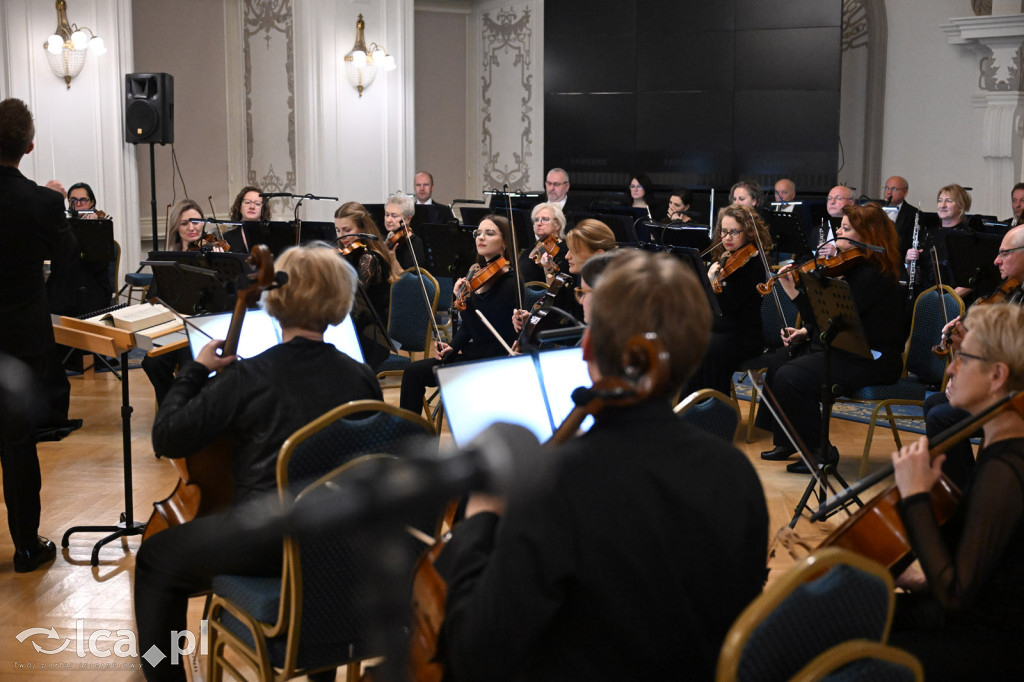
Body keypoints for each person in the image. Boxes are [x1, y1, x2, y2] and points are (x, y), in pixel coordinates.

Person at [436, 249, 769, 680]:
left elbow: (474, 653)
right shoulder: (736, 473)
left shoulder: (555, 483)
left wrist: (480, 516)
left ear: (587, 345)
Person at [135, 244, 383, 682]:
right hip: (342, 541)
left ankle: (163, 673)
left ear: (276, 297)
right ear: (338, 303)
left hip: (267, 541)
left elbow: (167, 436)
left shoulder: (248, 376)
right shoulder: (361, 377)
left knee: (156, 558)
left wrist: (194, 371)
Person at [888, 303, 1024, 680]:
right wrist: (915, 577)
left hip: (993, 646)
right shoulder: (1002, 446)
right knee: (852, 611)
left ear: (997, 375)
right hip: (975, 616)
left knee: (845, 642)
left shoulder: (1006, 467)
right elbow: (980, 564)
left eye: (963, 358)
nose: (950, 368)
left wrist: (915, 497)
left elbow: (956, 595)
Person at [757, 203, 906, 474]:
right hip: (847, 349)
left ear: (868, 235)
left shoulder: (873, 276)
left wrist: (795, 295)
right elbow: (835, 317)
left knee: (792, 375)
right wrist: (806, 332)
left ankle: (820, 453)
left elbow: (835, 318)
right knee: (780, 362)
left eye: (846, 228)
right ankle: (790, 440)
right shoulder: (851, 269)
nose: (838, 232)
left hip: (873, 358)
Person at [0, 97, 71, 573]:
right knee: (18, 443)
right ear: (29, 145)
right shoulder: (44, 203)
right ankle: (27, 546)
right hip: (21, 341)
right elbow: (67, 270)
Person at [919, 224, 1024, 490]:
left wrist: (975, 384)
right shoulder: (1013, 290)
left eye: (1005, 253)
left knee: (942, 416)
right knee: (934, 405)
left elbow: (1014, 358)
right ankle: (966, 486)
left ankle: (969, 495)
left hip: (1015, 396)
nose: (996, 260)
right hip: (1003, 385)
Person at [399, 215, 519, 416]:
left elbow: (482, 333)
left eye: (490, 234)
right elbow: (466, 328)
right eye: (478, 233)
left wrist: (464, 303)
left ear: (505, 243)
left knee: (417, 373)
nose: (481, 238)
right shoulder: (478, 274)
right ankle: (407, 439)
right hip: (473, 357)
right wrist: (452, 347)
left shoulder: (510, 283)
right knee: (413, 372)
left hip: (492, 363)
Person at [684, 203, 771, 396]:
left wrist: (713, 283)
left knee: (709, 347)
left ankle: (715, 409)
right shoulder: (724, 258)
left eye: (734, 232)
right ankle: (690, 408)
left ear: (748, 232)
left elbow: (730, 307)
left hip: (744, 335)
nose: (727, 237)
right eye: (724, 231)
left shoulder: (754, 263)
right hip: (722, 330)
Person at [906, 184, 972, 296]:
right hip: (925, 300)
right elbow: (917, 279)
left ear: (961, 206)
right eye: (940, 201)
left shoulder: (968, 237)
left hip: (954, 305)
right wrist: (908, 261)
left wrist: (947, 301)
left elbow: (971, 282)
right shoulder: (927, 235)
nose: (942, 205)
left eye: (949, 201)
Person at [516, 202, 568, 284]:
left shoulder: (565, 250)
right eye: (536, 220)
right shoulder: (531, 249)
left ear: (557, 225)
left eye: (545, 219)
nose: (539, 223)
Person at [383, 191, 427, 276]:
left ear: (408, 219)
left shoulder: (416, 245)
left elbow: (410, 282)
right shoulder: (388, 238)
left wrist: (393, 259)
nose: (388, 220)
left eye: (394, 216)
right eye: (386, 214)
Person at [224, 185, 270, 252]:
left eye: (257, 204)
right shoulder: (226, 238)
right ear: (239, 207)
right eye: (247, 202)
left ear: (263, 210)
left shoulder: (270, 237)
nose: (252, 206)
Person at [883, 175, 918, 259]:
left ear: (905, 193)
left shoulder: (914, 214)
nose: (889, 192)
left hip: (898, 260)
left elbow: (910, 243)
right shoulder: (874, 209)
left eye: (894, 189)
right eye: (886, 188)